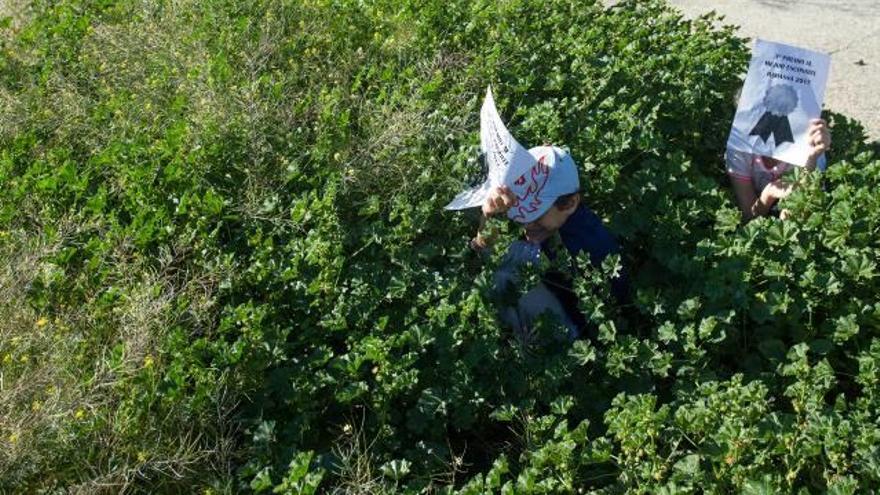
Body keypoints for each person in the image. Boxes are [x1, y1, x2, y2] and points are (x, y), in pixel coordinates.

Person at [470, 145, 628, 341]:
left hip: (575, 330)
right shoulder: (552, 225)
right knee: (500, 271)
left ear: (570, 203)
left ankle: (528, 348)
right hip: (554, 292)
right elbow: (489, 250)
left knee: (506, 278)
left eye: (536, 214)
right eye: (521, 213)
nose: (527, 224)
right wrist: (489, 215)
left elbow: (616, 301)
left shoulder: (586, 243)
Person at [726, 118, 831, 221]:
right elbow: (750, 215)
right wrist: (768, 195)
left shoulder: (809, 153)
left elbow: (792, 220)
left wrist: (811, 161)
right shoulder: (740, 148)